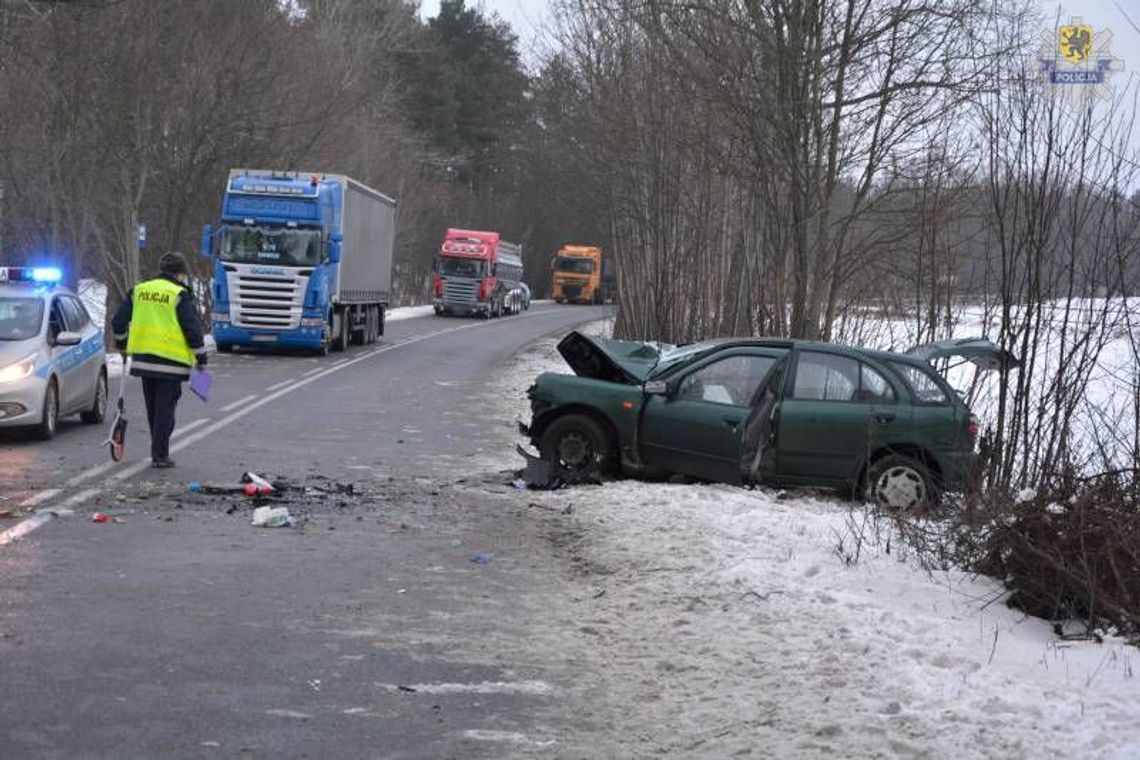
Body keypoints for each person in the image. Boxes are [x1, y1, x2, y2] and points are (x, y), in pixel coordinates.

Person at [112, 252, 207, 468]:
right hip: (171, 362)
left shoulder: (140, 291)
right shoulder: (179, 294)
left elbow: (117, 321)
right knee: (165, 411)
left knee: (153, 408)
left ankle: (158, 450)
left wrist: (122, 345)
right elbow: (192, 330)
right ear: (180, 274)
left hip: (144, 361)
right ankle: (160, 455)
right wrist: (201, 357)